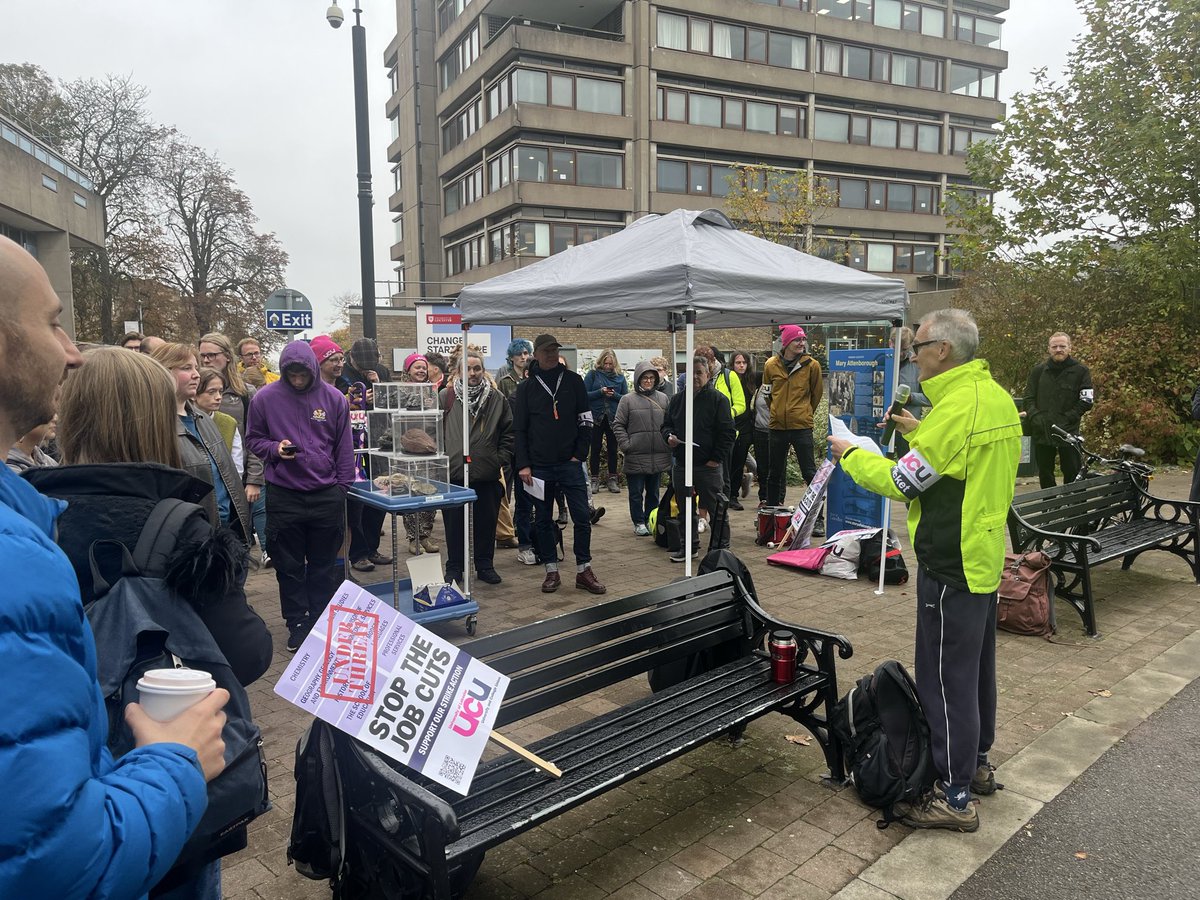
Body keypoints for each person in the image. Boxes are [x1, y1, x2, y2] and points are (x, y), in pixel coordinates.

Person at [0, 235, 229, 898]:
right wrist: (174, 761)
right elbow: (57, 863)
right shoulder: (15, 559)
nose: (72, 352)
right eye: (51, 323)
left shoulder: (33, 516)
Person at [30, 346, 272, 897]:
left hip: (63, 776)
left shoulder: (30, 518)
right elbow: (248, 654)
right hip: (166, 770)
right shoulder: (180, 525)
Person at [828, 308, 1021, 833]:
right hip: (979, 557)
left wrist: (848, 455)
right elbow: (954, 463)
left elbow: (904, 483)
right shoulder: (990, 397)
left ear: (943, 351)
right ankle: (975, 764)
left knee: (943, 678)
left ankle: (954, 796)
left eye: (917, 346)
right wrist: (918, 430)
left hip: (949, 560)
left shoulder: (959, 408)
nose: (912, 356)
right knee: (975, 669)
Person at [246, 341, 355, 651]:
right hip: (284, 495)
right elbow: (253, 438)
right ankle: (296, 621)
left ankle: (320, 617)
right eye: (291, 375)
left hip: (326, 495)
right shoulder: (265, 399)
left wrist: (341, 489)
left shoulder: (334, 399)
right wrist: (274, 450)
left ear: (312, 370)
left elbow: (343, 448)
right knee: (289, 565)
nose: (297, 380)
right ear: (283, 372)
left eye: (302, 375)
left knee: (323, 565)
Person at [513, 333, 607, 595]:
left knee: (581, 518)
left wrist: (580, 454)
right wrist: (524, 465)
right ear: (537, 355)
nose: (552, 354)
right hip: (539, 466)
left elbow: (586, 420)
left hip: (570, 463)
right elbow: (519, 430)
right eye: (546, 351)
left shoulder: (574, 381)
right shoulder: (526, 388)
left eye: (555, 350)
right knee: (543, 520)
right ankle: (551, 571)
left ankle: (583, 570)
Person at [151, 343, 253, 545]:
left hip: (224, 531)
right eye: (187, 368)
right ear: (162, 371)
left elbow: (226, 478)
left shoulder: (203, 419)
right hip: (190, 536)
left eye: (196, 367)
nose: (196, 374)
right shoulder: (155, 425)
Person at [441, 349, 513, 585]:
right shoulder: (446, 396)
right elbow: (434, 429)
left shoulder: (496, 398)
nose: (472, 373)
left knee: (486, 523)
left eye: (477, 368)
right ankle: (455, 567)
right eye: (467, 369)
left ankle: (485, 565)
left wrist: (498, 458)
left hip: (486, 473)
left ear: (483, 370)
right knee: (454, 525)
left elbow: (509, 433)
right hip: (454, 474)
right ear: (458, 372)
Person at [661, 355, 736, 561]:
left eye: (699, 373)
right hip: (682, 463)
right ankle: (689, 547)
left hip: (708, 465)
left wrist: (716, 459)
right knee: (685, 508)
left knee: (715, 508)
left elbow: (728, 433)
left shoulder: (718, 400)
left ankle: (721, 549)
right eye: (691, 373)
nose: (694, 377)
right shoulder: (677, 400)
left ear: (708, 375)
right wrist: (669, 437)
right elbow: (666, 425)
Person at [199, 332, 266, 555]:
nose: (206, 360)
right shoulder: (193, 389)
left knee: (238, 541)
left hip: (239, 478)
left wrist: (255, 479)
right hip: (207, 477)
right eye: (203, 355)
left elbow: (256, 437)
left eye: (212, 355)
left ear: (227, 356)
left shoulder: (245, 392)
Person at [342, 338, 393, 572]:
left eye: (370, 364)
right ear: (351, 358)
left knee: (379, 494)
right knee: (357, 503)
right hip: (353, 444)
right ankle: (358, 553)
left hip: (378, 440)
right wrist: (358, 400)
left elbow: (393, 401)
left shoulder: (380, 370)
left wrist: (379, 386)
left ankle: (372, 547)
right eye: (361, 365)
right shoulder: (343, 373)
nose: (365, 368)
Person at [1024, 332, 1094, 487]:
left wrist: (1068, 418)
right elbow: (1028, 399)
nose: (1058, 349)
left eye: (1062, 346)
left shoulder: (1081, 371)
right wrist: (1036, 418)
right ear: (1049, 349)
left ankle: (1073, 507)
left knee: (1072, 471)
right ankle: (1049, 507)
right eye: (1054, 346)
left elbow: (1087, 401)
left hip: (1068, 431)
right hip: (1042, 430)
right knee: (1045, 472)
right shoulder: (1038, 371)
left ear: (1070, 348)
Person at [764, 324, 823, 507]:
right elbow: (767, 394)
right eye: (797, 339)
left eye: (803, 339)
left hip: (801, 427)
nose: (801, 342)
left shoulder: (812, 366)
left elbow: (816, 394)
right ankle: (772, 514)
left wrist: (803, 413)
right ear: (786, 342)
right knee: (774, 473)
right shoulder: (770, 365)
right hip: (777, 427)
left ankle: (816, 517)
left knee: (809, 473)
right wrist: (776, 410)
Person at [613, 361, 670, 536]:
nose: (648, 381)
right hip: (636, 454)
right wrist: (626, 444)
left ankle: (650, 519)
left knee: (653, 492)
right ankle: (638, 521)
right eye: (645, 377)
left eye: (651, 378)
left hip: (658, 454)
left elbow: (669, 423)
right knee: (636, 492)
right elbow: (618, 425)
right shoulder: (627, 400)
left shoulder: (663, 398)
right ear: (638, 378)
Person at [497, 338, 536, 563]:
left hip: (531, 448)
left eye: (526, 353)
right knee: (507, 489)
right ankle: (506, 528)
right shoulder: (505, 381)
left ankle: (526, 532)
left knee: (529, 495)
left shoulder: (534, 379)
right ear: (512, 357)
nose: (523, 357)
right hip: (510, 444)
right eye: (519, 354)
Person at [398, 352, 440, 554]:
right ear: (408, 370)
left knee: (429, 493)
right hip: (409, 451)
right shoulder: (400, 391)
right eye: (417, 367)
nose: (422, 370)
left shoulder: (432, 391)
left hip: (430, 449)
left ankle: (425, 536)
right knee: (413, 493)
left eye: (424, 367)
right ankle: (413, 538)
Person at [584, 349, 628, 494]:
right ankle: (595, 479)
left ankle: (612, 479)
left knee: (613, 449)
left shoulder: (620, 378)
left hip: (613, 418)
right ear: (601, 362)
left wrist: (613, 394)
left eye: (610, 363)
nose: (608, 366)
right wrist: (600, 392)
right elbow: (584, 395)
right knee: (595, 448)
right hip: (596, 417)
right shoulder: (593, 375)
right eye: (605, 363)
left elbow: (625, 398)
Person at [709, 346, 748, 510]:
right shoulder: (700, 377)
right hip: (705, 433)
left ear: (715, 360)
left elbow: (741, 404)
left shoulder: (729, 376)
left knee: (725, 471)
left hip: (725, 433)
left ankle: (725, 503)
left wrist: (726, 414)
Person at [196, 368, 245, 474]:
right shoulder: (181, 421)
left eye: (220, 392)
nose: (218, 397)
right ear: (195, 393)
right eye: (211, 392)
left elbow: (236, 467)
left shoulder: (229, 423)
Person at [727, 350, 758, 505]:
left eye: (744, 362)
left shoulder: (751, 380)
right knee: (729, 462)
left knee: (739, 462)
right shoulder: (727, 379)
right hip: (731, 424)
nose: (741, 365)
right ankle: (728, 492)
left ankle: (733, 494)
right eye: (738, 362)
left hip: (746, 427)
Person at [894, 326, 929, 458]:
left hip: (907, 426)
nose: (901, 354)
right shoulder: (880, 362)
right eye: (897, 348)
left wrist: (911, 398)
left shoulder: (917, 365)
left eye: (905, 349)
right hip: (883, 425)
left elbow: (929, 397)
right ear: (890, 343)